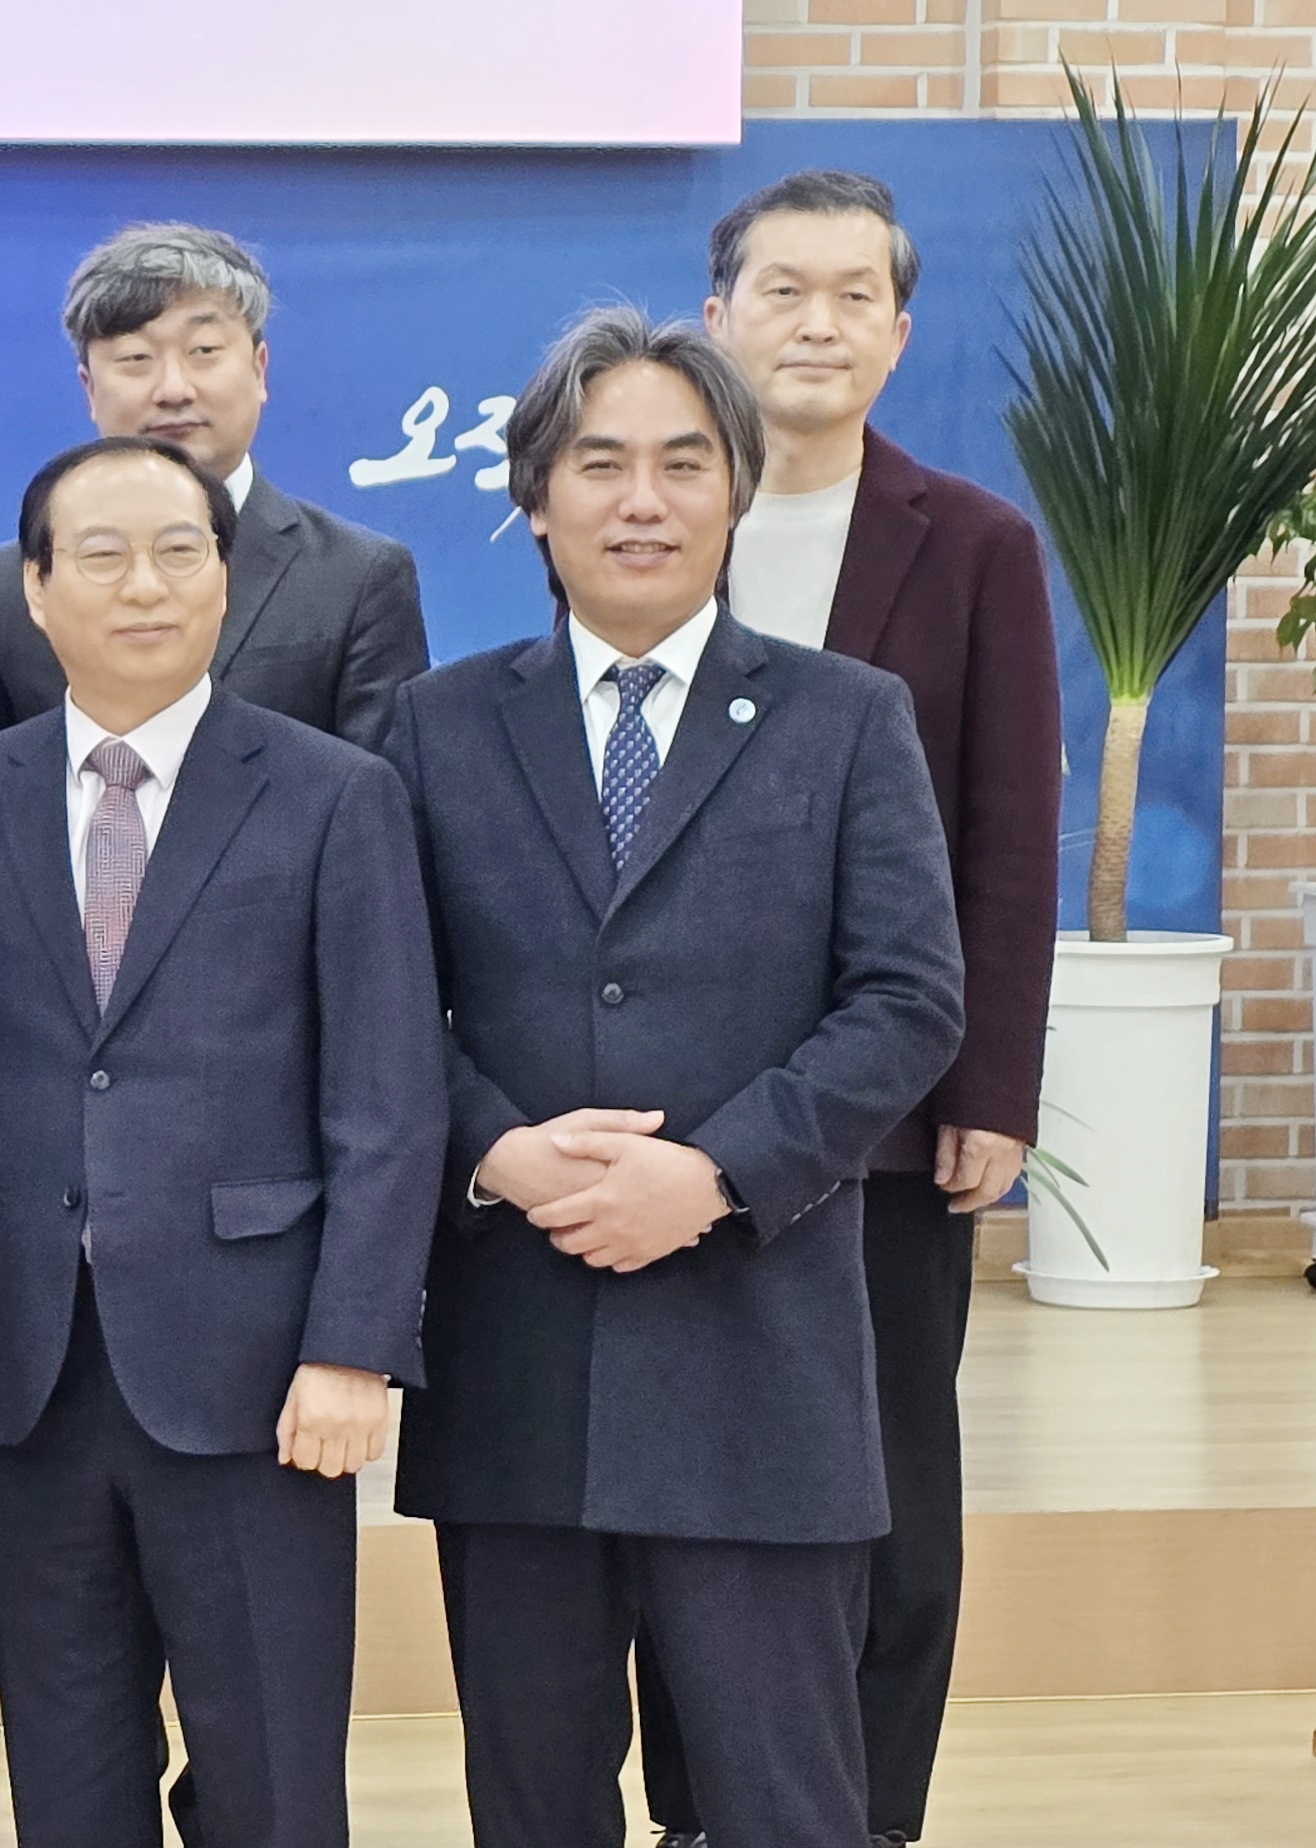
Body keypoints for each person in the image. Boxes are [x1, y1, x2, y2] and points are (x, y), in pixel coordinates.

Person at [382, 307, 965, 1848]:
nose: (641, 500)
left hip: (757, 1354)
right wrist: (496, 1152)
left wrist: (712, 1175)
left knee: (787, 1803)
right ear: (535, 499)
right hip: (518, 1357)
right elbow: (380, 1005)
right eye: (600, 464)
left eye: (683, 463)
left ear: (737, 491)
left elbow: (909, 998)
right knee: (532, 1801)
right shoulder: (438, 726)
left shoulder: (847, 719)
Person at [0, 435, 442, 1847]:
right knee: (68, 1776)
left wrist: (354, 1345)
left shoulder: (331, 793)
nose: (145, 585)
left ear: (223, 579)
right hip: (23, 1367)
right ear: (35, 591)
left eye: (179, 552)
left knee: (271, 1780)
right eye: (103, 556)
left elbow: (387, 1096)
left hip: (258, 1371)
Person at [626, 169, 1062, 1848]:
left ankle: (865, 1810)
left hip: (885, 1111)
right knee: (682, 1478)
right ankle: (696, 1806)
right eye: (782, 291)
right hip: (675, 1109)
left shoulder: (974, 545)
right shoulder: (651, 520)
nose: (816, 324)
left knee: (888, 1480)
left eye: (852, 296)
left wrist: (991, 1086)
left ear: (898, 331)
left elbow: (1008, 836)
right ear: (715, 314)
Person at [0, 224, 426, 750]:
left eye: (204, 350)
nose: (173, 389)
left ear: (259, 369)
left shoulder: (358, 576)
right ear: (89, 388)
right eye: (136, 359)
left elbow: (380, 788)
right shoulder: (12, 582)